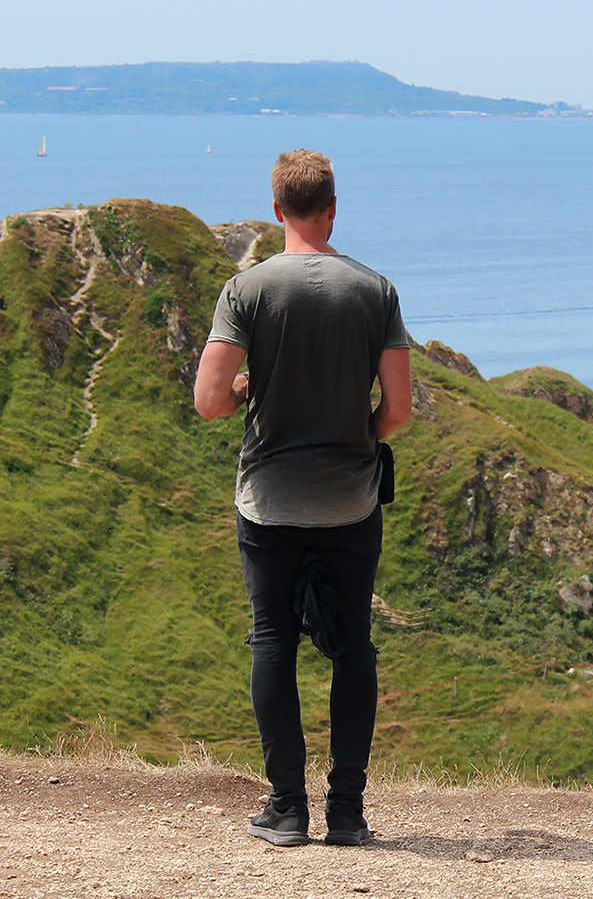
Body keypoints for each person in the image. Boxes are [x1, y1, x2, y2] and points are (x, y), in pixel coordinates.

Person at [194, 149, 412, 848]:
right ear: (333, 208)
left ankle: (287, 808)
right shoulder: (375, 289)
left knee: (272, 639)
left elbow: (208, 401)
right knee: (354, 648)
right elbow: (398, 409)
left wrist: (249, 393)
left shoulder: (246, 289)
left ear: (278, 210)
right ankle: (346, 812)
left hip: (268, 501)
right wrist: (357, 431)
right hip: (351, 499)